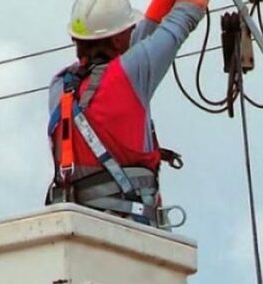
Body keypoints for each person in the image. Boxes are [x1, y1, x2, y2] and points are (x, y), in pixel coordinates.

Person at [46, 0, 208, 228]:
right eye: (129, 28)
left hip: (79, 225)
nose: (134, 30)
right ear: (116, 39)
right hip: (131, 228)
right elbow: (183, 18)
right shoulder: (130, 74)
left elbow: (141, 40)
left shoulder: (60, 86)